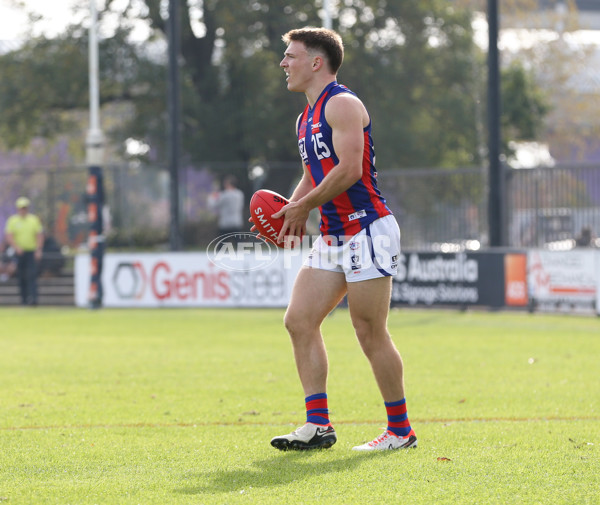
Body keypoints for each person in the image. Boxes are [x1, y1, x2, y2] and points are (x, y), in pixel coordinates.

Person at [266, 27, 417, 451]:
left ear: (317, 62)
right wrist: (290, 209)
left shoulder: (343, 105)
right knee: (298, 320)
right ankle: (319, 426)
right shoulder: (304, 118)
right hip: (333, 235)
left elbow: (349, 170)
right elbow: (313, 173)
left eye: (290, 55)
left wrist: (303, 207)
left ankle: (400, 431)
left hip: (367, 227)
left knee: (369, 330)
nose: (284, 63)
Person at [4, 196, 44, 305]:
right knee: (21, 276)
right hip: (18, 252)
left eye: (25, 208)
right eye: (21, 208)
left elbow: (39, 235)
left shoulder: (33, 220)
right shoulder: (13, 220)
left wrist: (38, 249)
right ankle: (24, 300)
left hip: (31, 252)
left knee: (32, 275)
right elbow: (9, 236)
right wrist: (16, 247)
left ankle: (34, 299)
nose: (23, 210)